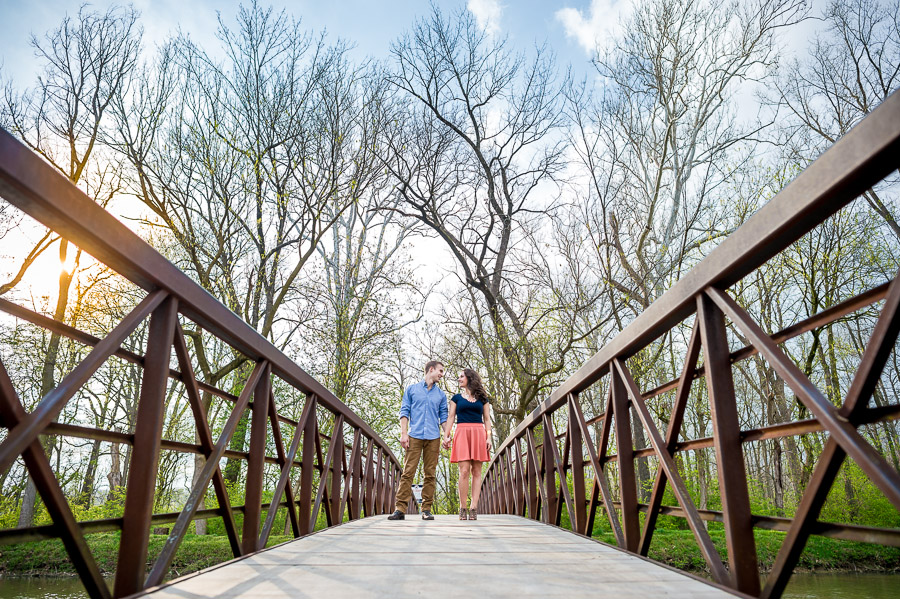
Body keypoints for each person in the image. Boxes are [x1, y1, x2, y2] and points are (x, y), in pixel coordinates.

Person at [388, 360, 450, 521]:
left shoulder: (441, 395)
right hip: (414, 436)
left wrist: (447, 434)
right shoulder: (412, 390)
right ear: (431, 369)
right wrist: (403, 433)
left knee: (430, 474)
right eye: (440, 371)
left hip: (433, 438)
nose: (442, 374)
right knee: (408, 472)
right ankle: (400, 509)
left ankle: (426, 509)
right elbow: (404, 411)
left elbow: (443, 417)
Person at [443, 368, 491, 521]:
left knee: (477, 471)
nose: (459, 379)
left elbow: (487, 419)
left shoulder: (483, 398)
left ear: (470, 378)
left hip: (479, 433)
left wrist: (488, 437)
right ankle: (463, 507)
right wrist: (446, 435)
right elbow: (451, 417)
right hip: (462, 432)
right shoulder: (456, 398)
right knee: (464, 471)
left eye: (461, 376)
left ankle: (474, 508)